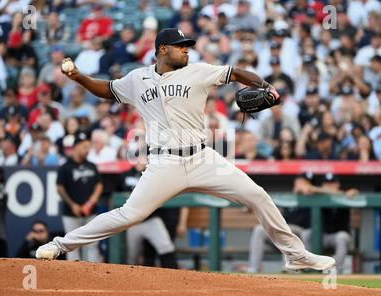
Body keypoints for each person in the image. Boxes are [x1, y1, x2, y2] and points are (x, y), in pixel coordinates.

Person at [36, 28, 335, 272]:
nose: (186, 50)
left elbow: (237, 73)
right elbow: (106, 89)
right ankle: (62, 245)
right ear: (163, 49)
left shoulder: (199, 71)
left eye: (187, 46)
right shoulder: (137, 79)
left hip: (203, 157)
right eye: (180, 46)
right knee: (129, 214)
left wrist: (267, 86)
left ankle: (296, 255)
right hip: (164, 163)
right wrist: (78, 78)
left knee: (257, 195)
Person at [55, 131, 103, 262]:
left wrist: (91, 202)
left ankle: (93, 275)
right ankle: (72, 278)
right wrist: (72, 204)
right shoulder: (65, 167)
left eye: (88, 147)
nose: (87, 150)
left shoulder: (91, 165)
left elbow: (99, 185)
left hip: (90, 211)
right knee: (72, 245)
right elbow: (60, 187)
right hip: (71, 212)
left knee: (93, 244)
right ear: (75, 147)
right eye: (84, 147)